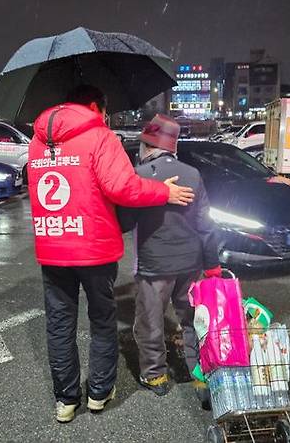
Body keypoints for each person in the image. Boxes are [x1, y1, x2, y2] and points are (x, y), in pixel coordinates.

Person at [27, 85, 195, 423]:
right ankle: (99, 394)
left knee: (59, 325)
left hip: (53, 246)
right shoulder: (100, 137)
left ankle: (66, 400)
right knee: (102, 322)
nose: (105, 117)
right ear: (94, 106)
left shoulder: (37, 142)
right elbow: (124, 187)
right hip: (94, 249)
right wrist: (164, 191)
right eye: (104, 111)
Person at [118, 114, 220, 397]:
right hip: (192, 263)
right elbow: (206, 225)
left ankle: (155, 376)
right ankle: (198, 370)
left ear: (147, 145)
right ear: (173, 148)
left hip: (154, 264)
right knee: (191, 319)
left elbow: (125, 222)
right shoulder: (193, 174)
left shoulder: (138, 176)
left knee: (151, 321)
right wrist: (212, 265)